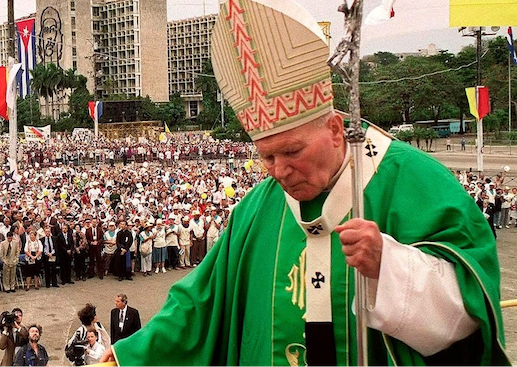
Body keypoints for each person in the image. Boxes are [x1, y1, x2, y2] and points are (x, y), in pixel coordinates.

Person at [101, 1, 509, 366]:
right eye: (266, 156)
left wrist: (392, 266)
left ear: (334, 129)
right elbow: (199, 303)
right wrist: (127, 358)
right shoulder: (256, 209)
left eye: (292, 152)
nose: (279, 170)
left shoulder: (411, 180)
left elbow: (473, 303)